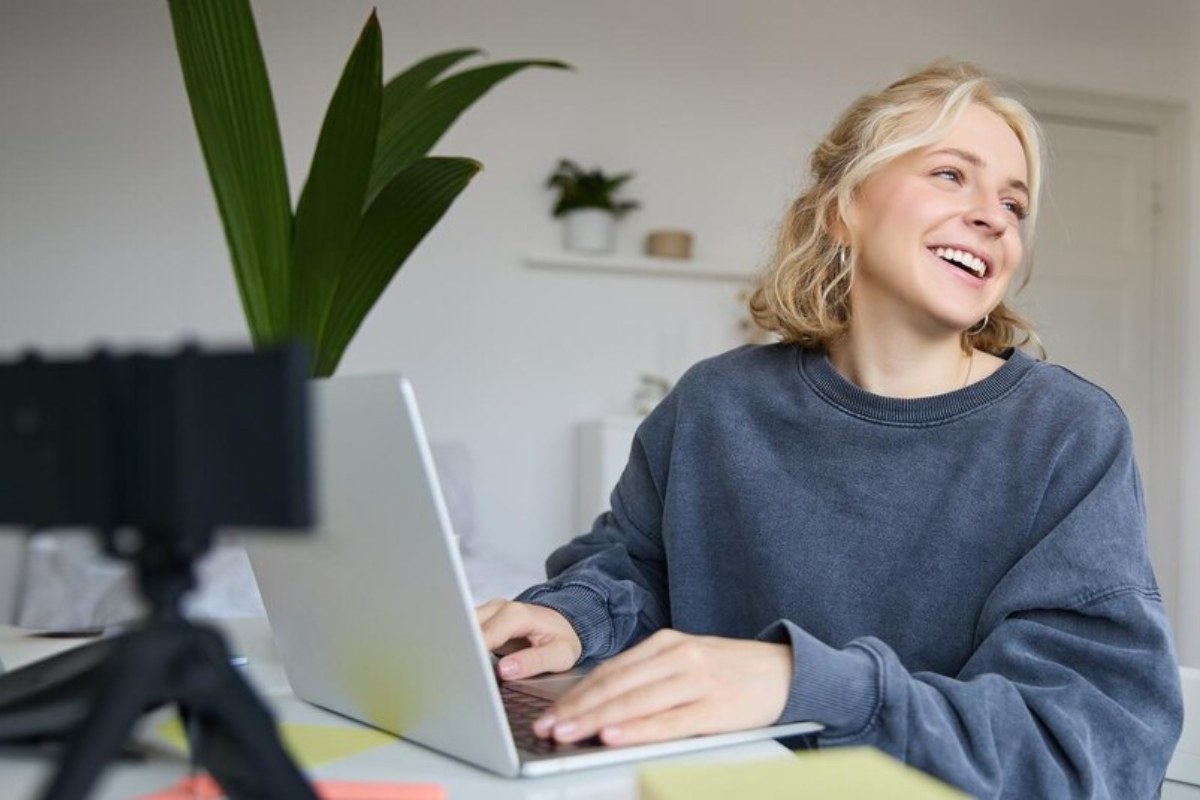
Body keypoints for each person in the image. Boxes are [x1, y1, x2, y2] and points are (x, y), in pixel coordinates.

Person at [476, 60, 1184, 797]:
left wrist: (803, 684)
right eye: (951, 175)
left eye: (1015, 203)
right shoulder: (715, 404)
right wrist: (574, 618)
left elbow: (1083, 743)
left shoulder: (1067, 434)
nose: (995, 217)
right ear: (843, 209)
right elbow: (637, 570)